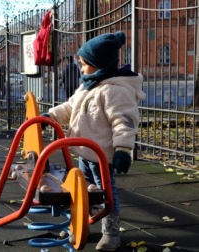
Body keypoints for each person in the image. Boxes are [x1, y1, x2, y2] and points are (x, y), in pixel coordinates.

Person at [43, 31, 145, 251]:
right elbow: (70, 107)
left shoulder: (115, 91)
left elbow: (124, 122)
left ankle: (111, 233)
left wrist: (123, 150)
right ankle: (80, 224)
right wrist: (50, 117)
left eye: (83, 64)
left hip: (102, 155)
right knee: (82, 190)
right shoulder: (88, 85)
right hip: (84, 153)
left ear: (99, 65)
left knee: (107, 194)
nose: (80, 68)